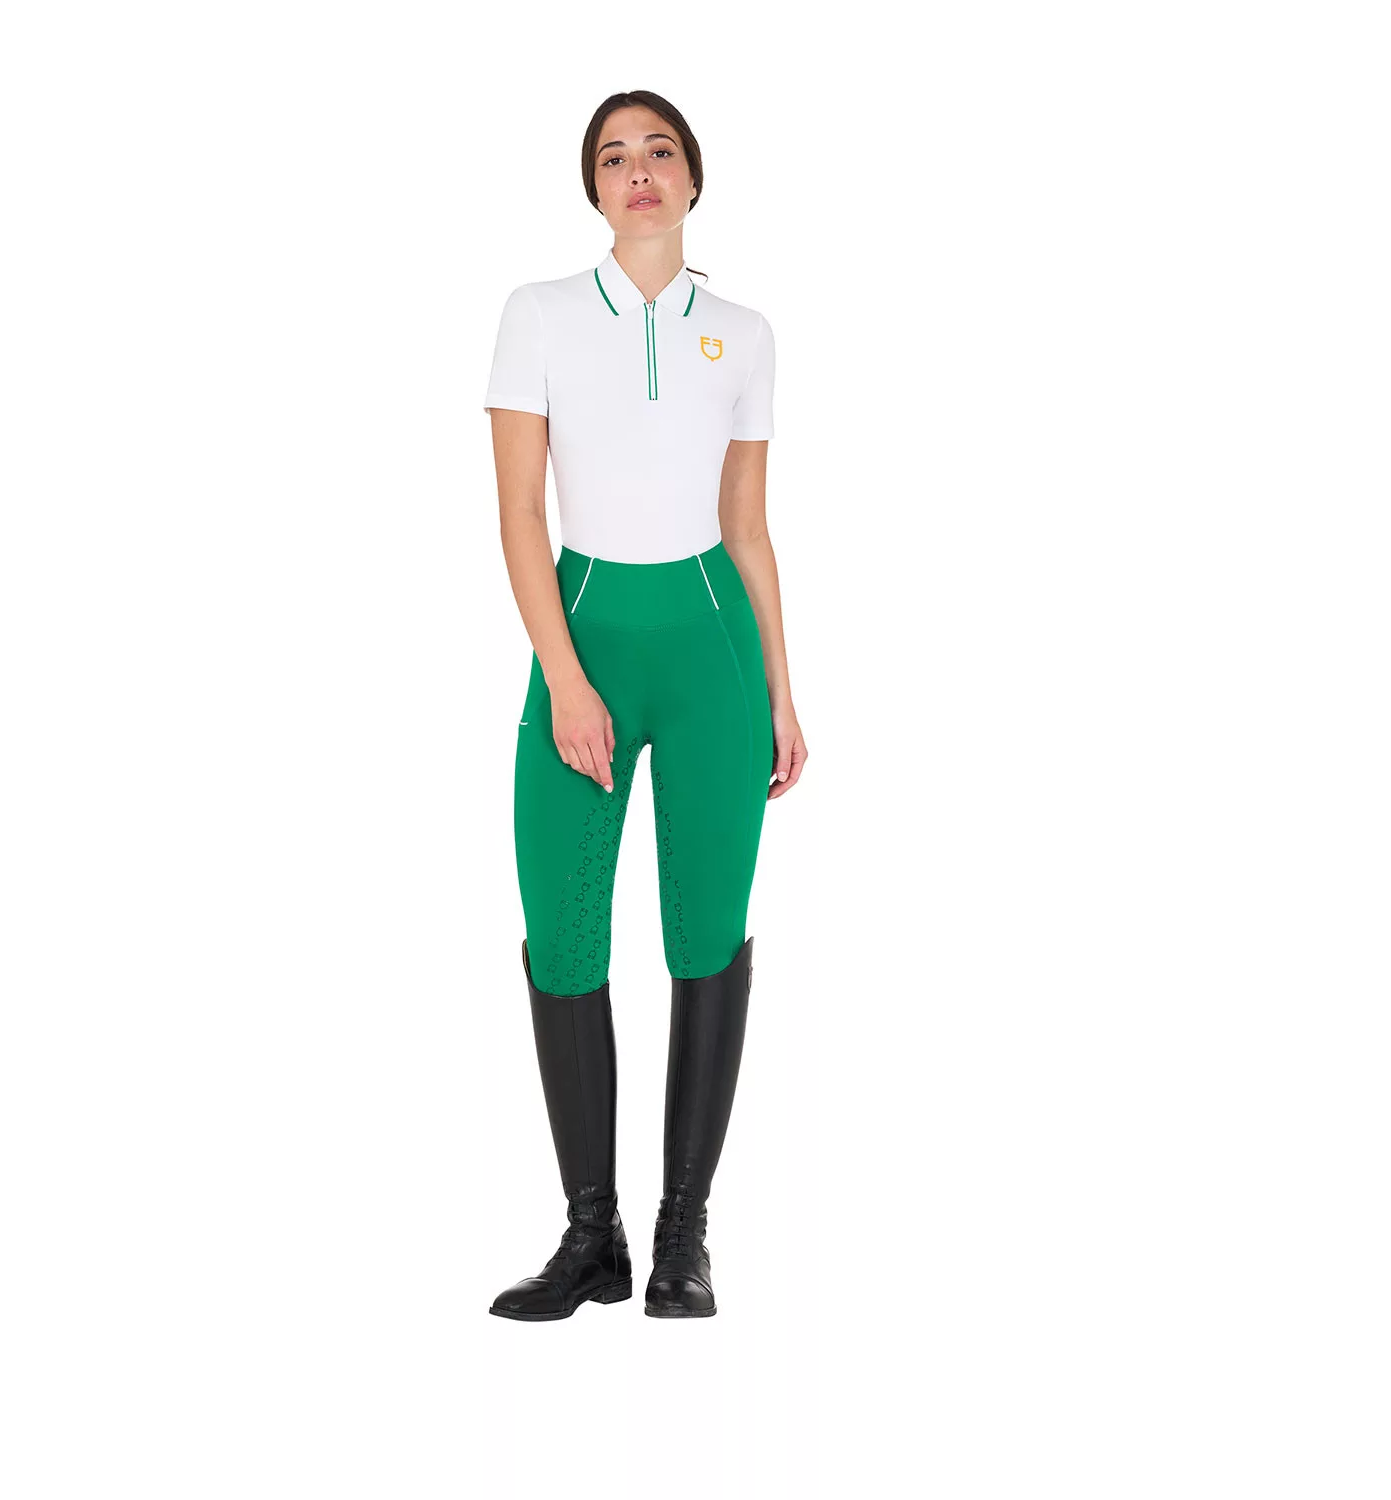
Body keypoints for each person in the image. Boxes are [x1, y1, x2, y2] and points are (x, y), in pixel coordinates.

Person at [482, 90, 808, 1321]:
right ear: (593, 188)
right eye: (614, 156)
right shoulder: (540, 315)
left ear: (693, 177)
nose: (639, 171)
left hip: (714, 652)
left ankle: (683, 1237)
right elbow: (520, 514)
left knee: (705, 935)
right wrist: (568, 679)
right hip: (588, 640)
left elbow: (748, 527)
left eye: (660, 151)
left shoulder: (746, 334)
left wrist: (782, 692)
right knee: (564, 937)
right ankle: (591, 1240)